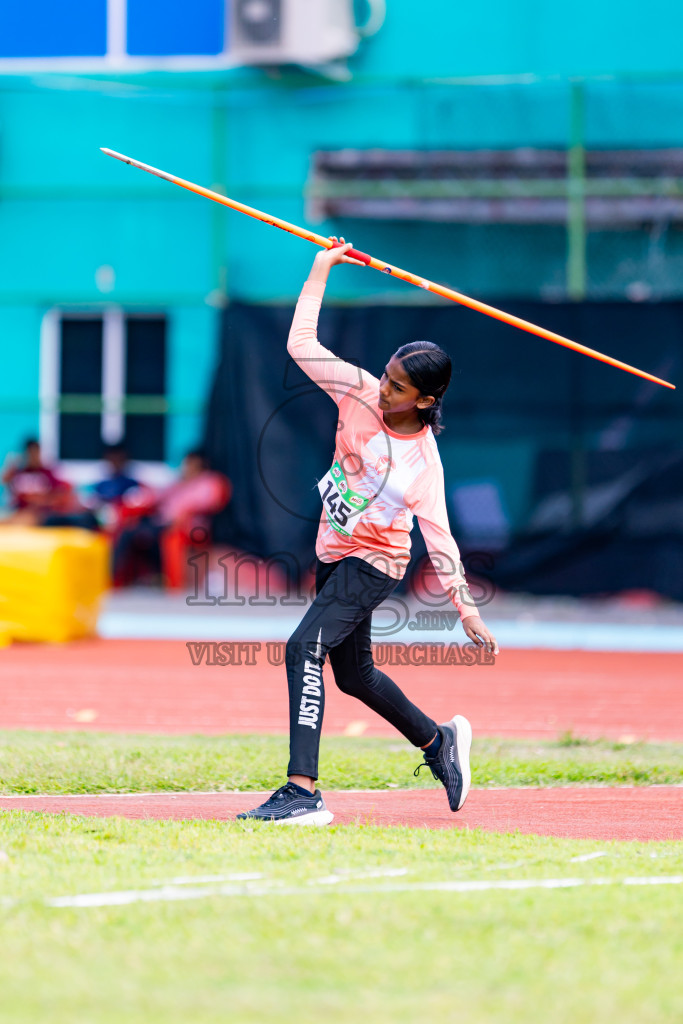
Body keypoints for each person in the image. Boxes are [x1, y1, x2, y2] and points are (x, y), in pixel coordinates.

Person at [238, 239, 499, 826]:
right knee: (354, 675)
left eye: (399, 388)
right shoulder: (357, 389)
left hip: (377, 562)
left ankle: (302, 792)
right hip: (333, 550)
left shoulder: (423, 464)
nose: (383, 390)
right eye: (386, 376)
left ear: (426, 401)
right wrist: (321, 266)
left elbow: (441, 538)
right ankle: (439, 742)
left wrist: (466, 608)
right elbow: (300, 344)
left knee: (303, 646)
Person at [112, 449, 230, 586]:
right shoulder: (180, 483)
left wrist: (182, 514)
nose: (186, 467)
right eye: (186, 464)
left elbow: (212, 501)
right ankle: (116, 579)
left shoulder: (209, 483)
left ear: (201, 465)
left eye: (191, 464)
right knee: (128, 531)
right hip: (162, 523)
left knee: (139, 534)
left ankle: (169, 581)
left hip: (187, 527)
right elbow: (158, 496)